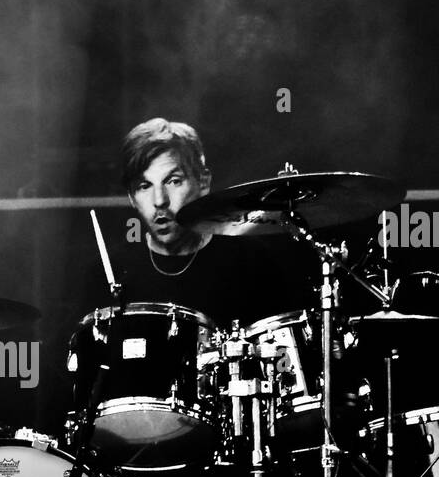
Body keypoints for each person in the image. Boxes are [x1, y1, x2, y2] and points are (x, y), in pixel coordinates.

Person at [100, 117, 311, 325]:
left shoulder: (251, 264)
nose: (159, 201)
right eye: (144, 186)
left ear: (203, 182)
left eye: (173, 181)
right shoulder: (109, 272)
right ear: (131, 198)